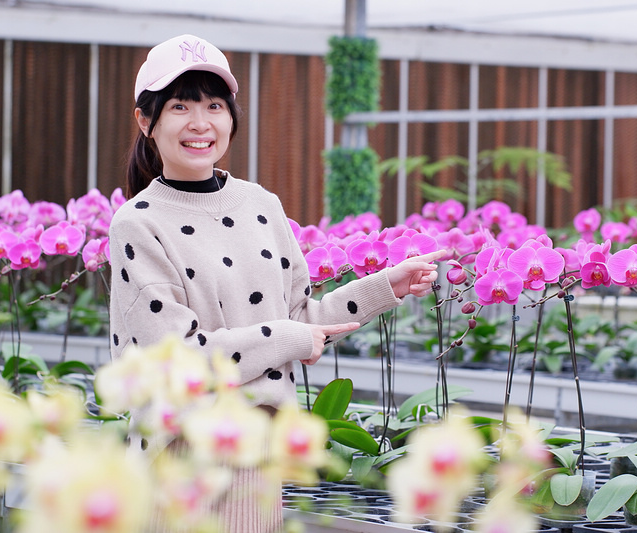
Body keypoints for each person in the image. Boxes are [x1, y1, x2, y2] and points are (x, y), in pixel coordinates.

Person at [107, 34, 443, 532]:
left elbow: (301, 319)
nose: (201, 122)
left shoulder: (262, 205)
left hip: (259, 457)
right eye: (179, 105)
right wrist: (286, 338)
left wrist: (383, 287)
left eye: (214, 105)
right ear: (146, 121)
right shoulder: (138, 223)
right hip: (181, 460)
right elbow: (175, 359)